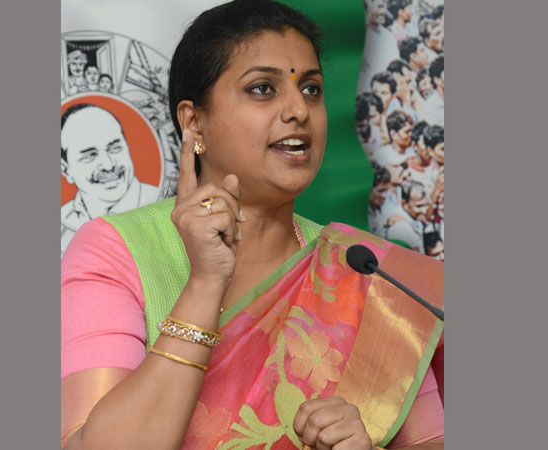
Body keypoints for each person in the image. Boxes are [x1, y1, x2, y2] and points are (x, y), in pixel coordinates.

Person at [61, 1, 444, 449]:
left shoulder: (363, 271)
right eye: (262, 89)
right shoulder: (118, 250)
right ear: (193, 122)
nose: (298, 110)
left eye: (312, 89)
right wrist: (205, 283)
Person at [60, 103, 161, 257]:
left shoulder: (164, 205)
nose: (108, 165)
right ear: (66, 170)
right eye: (90, 155)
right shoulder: (63, 220)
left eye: (115, 148)